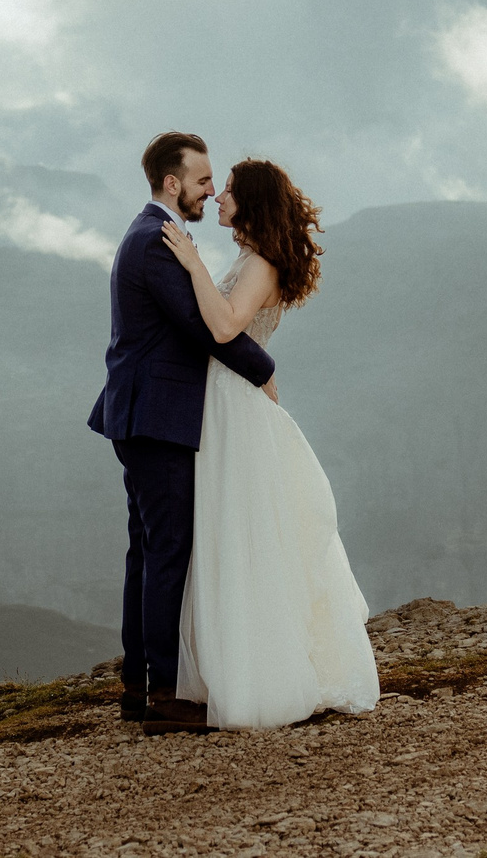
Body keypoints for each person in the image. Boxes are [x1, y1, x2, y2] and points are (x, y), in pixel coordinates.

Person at [157, 156, 379, 729]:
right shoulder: (248, 258)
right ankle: (228, 670)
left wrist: (190, 264)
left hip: (236, 409)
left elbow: (227, 326)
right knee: (229, 533)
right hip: (224, 402)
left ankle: (262, 679)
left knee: (243, 534)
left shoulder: (260, 264)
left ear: (250, 201)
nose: (221, 198)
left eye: (228, 190)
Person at [87, 132, 278, 734]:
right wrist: (264, 372)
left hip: (144, 415)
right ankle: (165, 698)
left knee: (147, 553)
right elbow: (202, 327)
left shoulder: (154, 234)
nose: (209, 191)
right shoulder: (155, 240)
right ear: (173, 183)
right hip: (156, 418)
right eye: (201, 180)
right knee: (165, 552)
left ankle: (138, 689)